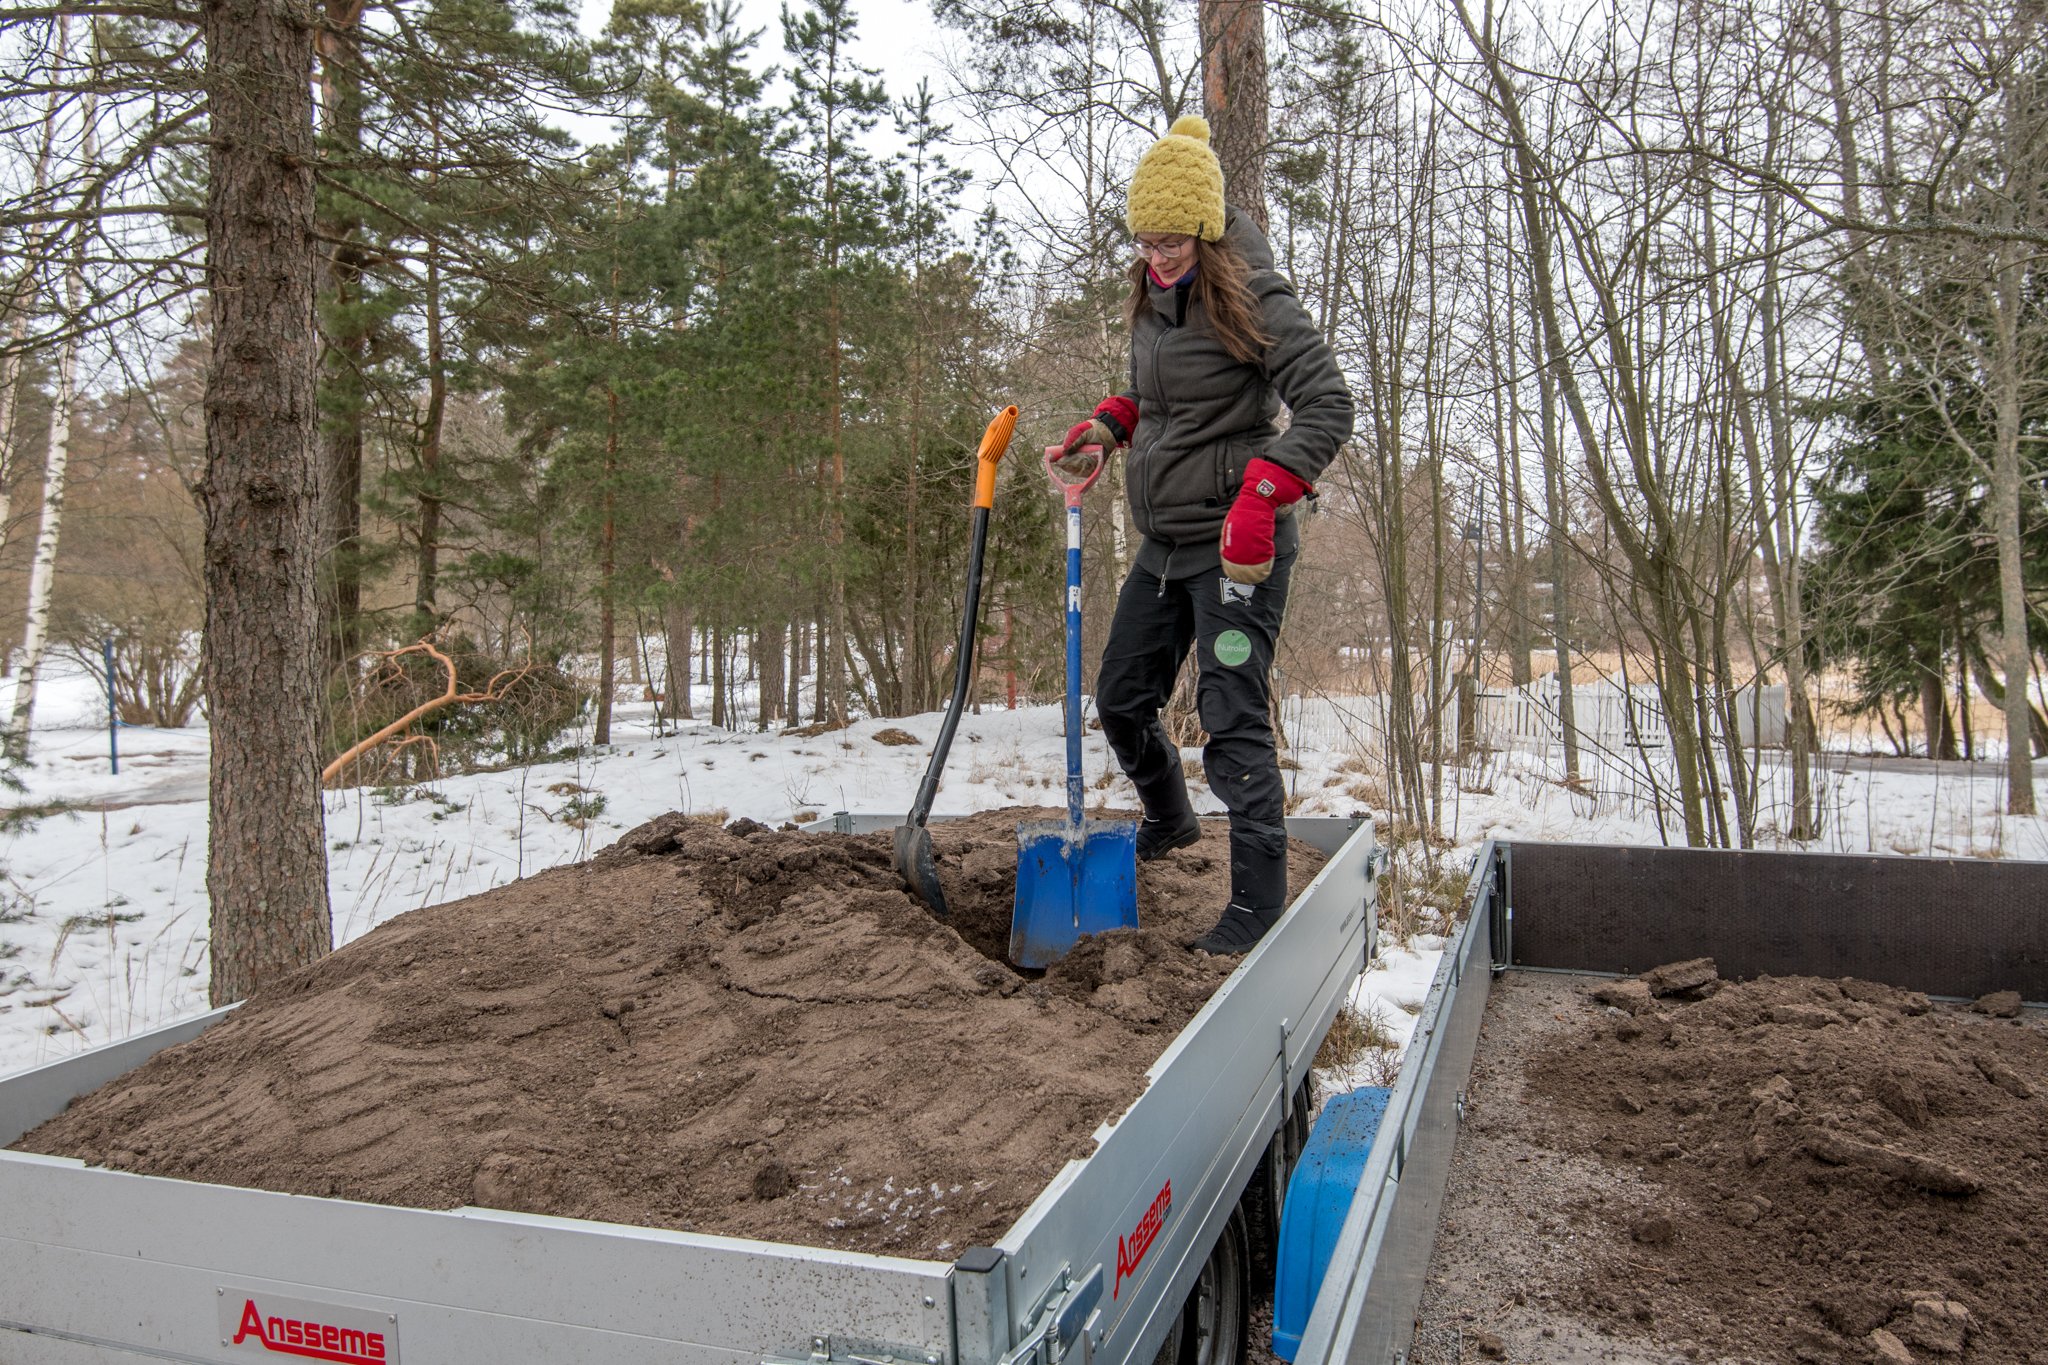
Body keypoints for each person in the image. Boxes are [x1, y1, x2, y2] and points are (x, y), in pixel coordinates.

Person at [1061, 115, 1355, 956]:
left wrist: (1267, 488)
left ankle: (1258, 907)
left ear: (1206, 230)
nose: (1156, 255)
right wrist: (1110, 422)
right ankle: (1171, 817)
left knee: (1229, 715)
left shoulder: (1255, 295)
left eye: (1172, 241)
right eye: (1145, 240)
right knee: (1120, 699)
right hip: (1163, 545)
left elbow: (1329, 406)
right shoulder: (1152, 298)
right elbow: (1161, 399)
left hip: (1237, 546)